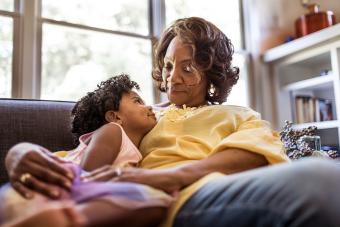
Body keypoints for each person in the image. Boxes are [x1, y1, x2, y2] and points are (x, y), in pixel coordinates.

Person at [5, 17, 340, 227]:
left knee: (323, 178)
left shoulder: (238, 115)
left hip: (202, 193)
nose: (173, 78)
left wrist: (164, 176)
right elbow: (82, 157)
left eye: (188, 68)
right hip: (136, 201)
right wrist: (18, 152)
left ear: (212, 75)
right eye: (168, 66)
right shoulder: (143, 117)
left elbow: (254, 155)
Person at [1, 74, 173, 227]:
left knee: (155, 203)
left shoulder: (131, 145)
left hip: (52, 196)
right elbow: (89, 173)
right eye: (137, 101)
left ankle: (61, 218)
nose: (149, 107)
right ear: (115, 117)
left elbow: (165, 105)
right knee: (156, 201)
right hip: (59, 183)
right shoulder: (113, 130)